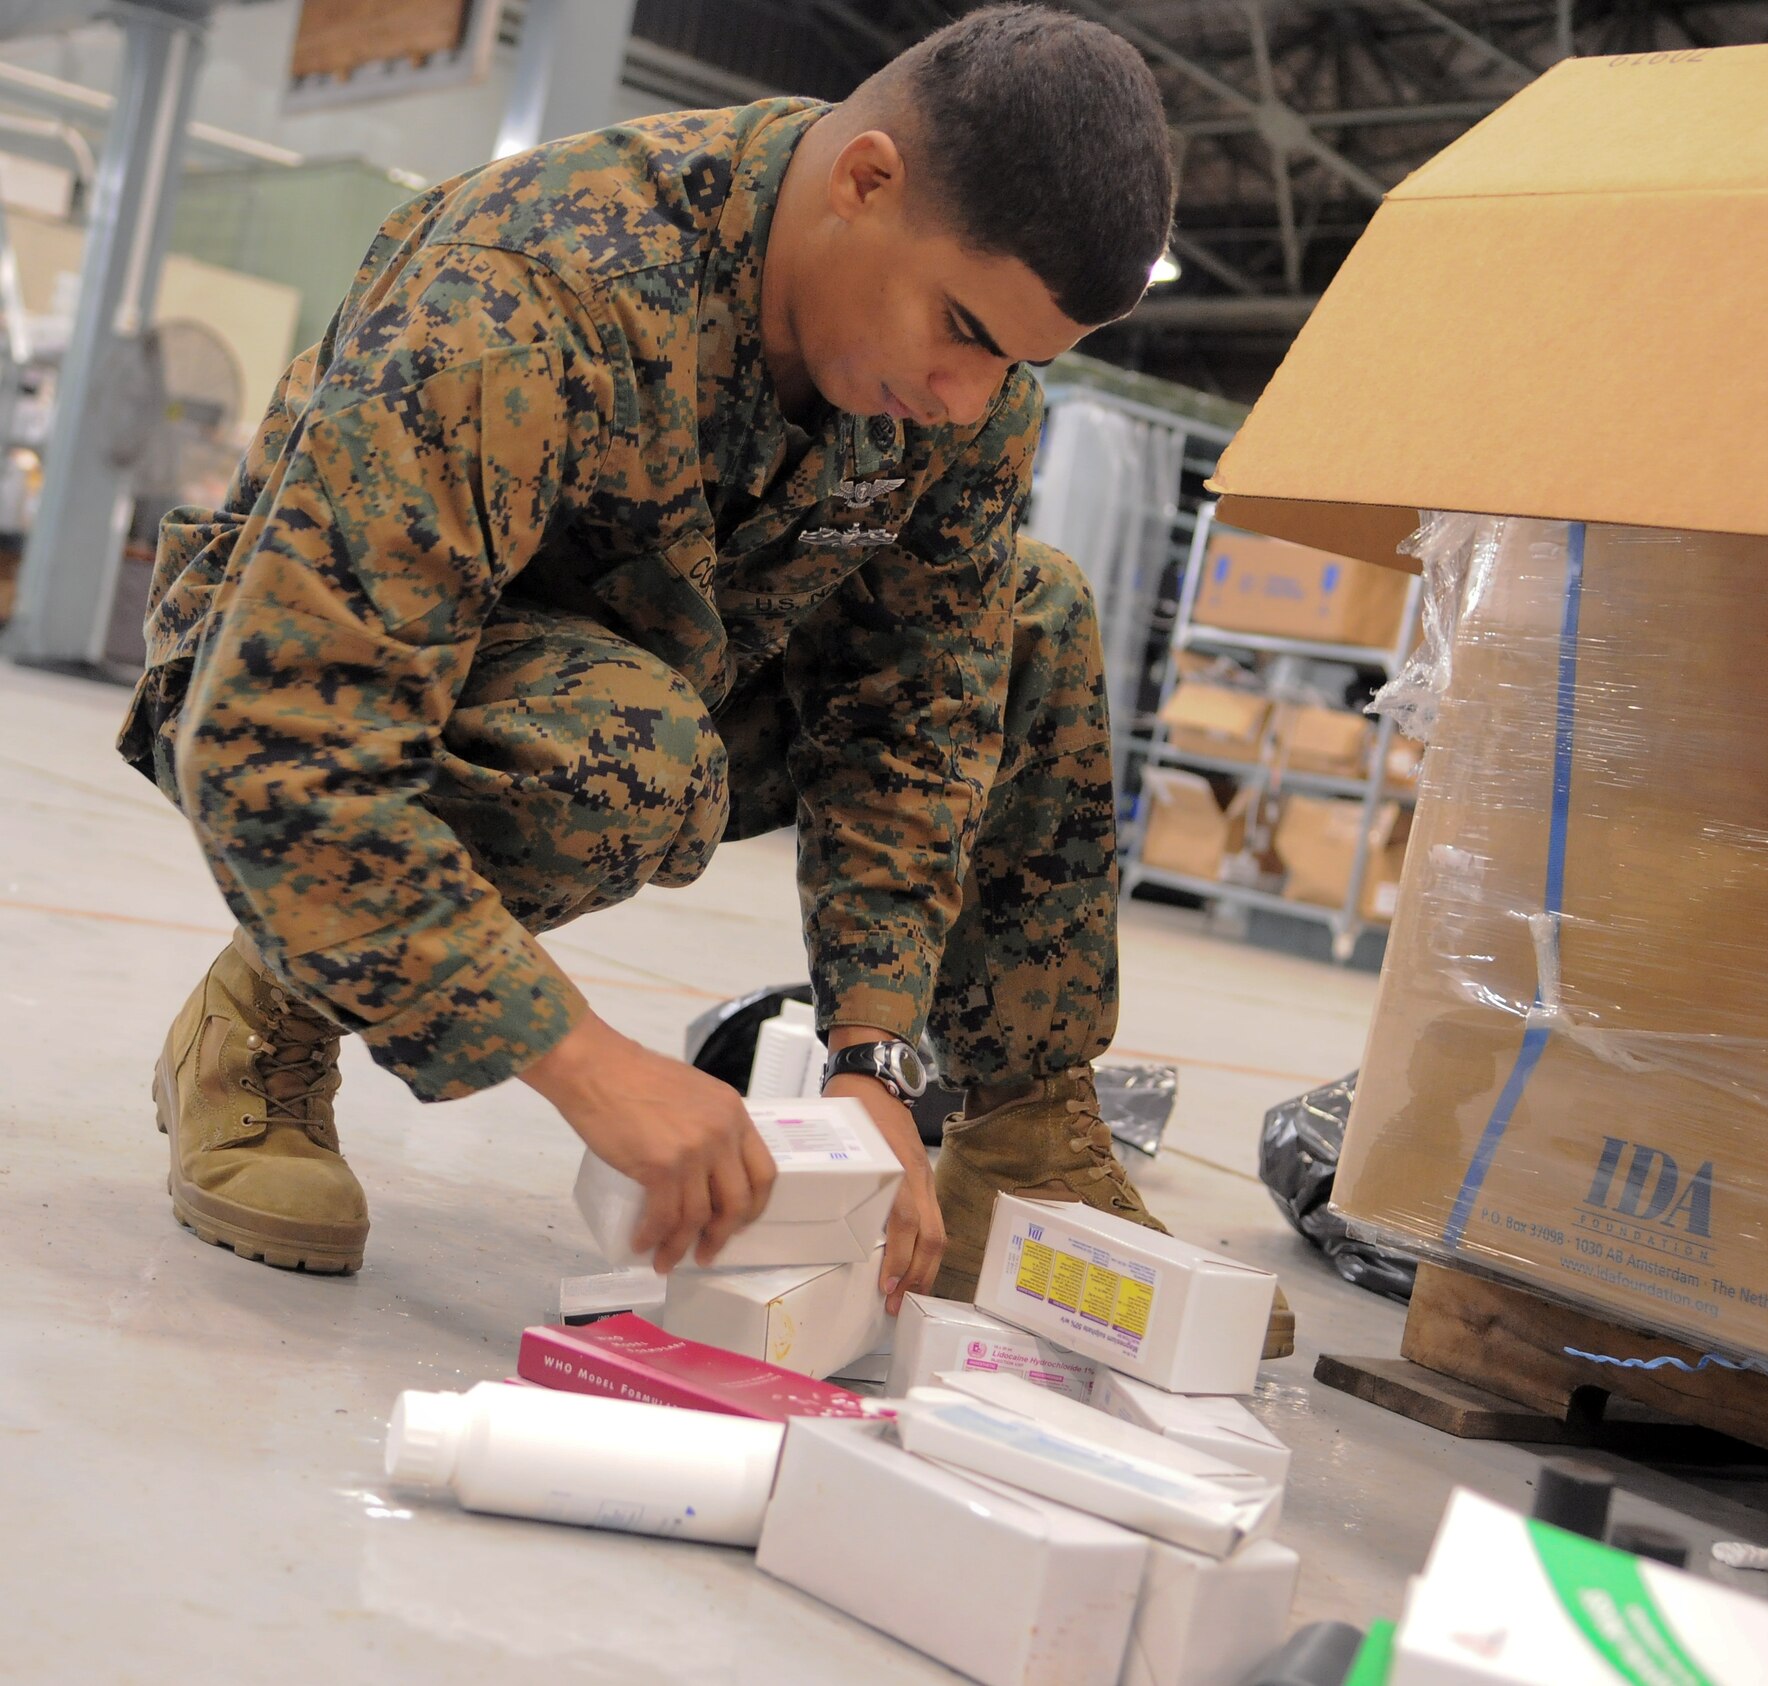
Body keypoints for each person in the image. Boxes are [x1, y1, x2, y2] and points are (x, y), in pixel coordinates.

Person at [119, 3, 1294, 1358]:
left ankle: (1017, 1142)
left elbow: (918, 714)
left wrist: (873, 1059)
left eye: (1017, 365)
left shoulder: (954, 395)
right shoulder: (531, 291)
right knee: (629, 752)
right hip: (304, 677)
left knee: (1030, 615)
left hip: (669, 659)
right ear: (865, 181)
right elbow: (277, 734)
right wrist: (586, 1062)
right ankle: (263, 1015)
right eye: (965, 330)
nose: (971, 398)